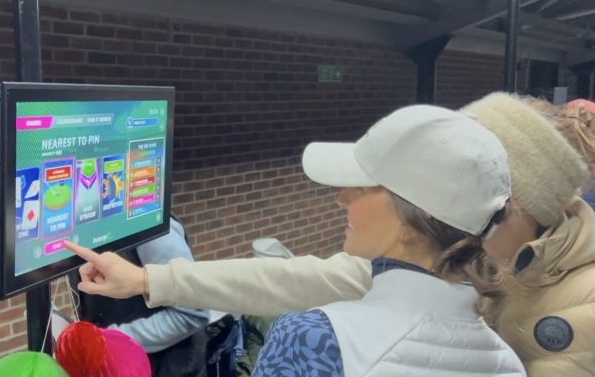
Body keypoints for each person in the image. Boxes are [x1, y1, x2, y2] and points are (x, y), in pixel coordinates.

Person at [66, 93, 594, 376]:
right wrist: (148, 279)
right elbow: (284, 279)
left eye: (368, 187)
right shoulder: (454, 285)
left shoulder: (581, 307)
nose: (343, 198)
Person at [68, 216, 209, 377]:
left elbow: (191, 313)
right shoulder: (89, 224)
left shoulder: (152, 228)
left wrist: (107, 340)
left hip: (168, 367)